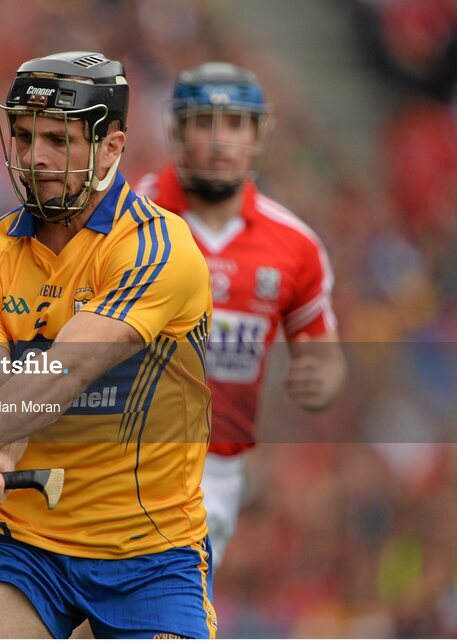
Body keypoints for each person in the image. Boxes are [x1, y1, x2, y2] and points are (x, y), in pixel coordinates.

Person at [0, 51, 217, 638]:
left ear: (111, 148)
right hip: (26, 547)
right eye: (23, 136)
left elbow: (64, 373)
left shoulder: (158, 248)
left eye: (57, 139)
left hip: (151, 552)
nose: (34, 157)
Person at [135, 62, 347, 569]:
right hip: (116, 454)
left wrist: (324, 380)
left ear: (258, 135)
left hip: (214, 475)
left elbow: (326, 357)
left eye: (234, 124)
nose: (219, 140)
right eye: (203, 123)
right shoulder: (125, 220)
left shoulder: (295, 245)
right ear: (176, 131)